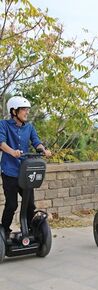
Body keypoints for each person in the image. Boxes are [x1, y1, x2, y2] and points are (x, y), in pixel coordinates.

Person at [0, 96, 52, 238]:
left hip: (25, 172)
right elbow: (1, 142)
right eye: (24, 109)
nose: (27, 112)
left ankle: (31, 230)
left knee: (30, 205)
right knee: (12, 205)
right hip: (10, 172)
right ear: (14, 111)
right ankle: (4, 231)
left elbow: (36, 141)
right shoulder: (3, 125)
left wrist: (43, 150)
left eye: (27, 109)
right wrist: (12, 152)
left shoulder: (29, 127)